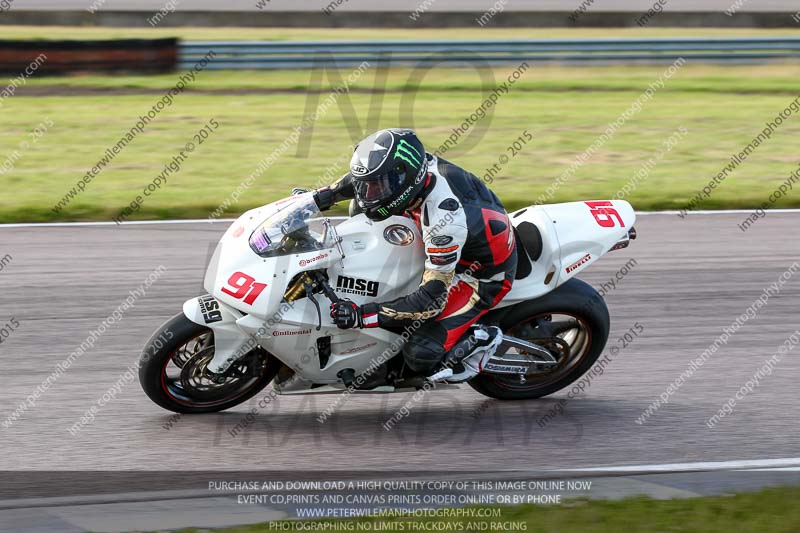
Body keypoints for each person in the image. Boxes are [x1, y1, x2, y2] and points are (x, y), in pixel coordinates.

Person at [310, 128, 516, 382]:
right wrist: (309, 202)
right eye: (367, 185)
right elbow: (352, 184)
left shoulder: (445, 220)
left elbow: (431, 301)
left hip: (476, 276)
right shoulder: (413, 169)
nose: (368, 195)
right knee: (358, 211)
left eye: (377, 187)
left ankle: (482, 342)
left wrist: (362, 315)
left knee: (422, 354)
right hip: (435, 239)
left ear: (406, 179)